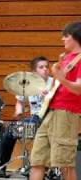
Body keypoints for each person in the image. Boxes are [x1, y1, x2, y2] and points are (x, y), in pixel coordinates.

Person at [30, 21, 81, 180]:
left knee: (65, 163)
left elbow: (79, 89)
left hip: (66, 114)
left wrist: (61, 79)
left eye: (66, 36)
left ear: (75, 37)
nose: (63, 39)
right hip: (50, 112)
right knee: (37, 160)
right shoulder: (65, 58)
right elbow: (61, 84)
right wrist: (50, 91)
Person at [0, 56, 53, 177]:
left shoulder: (54, 83)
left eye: (46, 67)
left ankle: (38, 167)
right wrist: (19, 111)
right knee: (10, 131)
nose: (45, 69)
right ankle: (1, 166)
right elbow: (20, 102)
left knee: (34, 119)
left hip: (49, 119)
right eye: (41, 67)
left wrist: (48, 97)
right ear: (34, 72)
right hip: (34, 120)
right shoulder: (28, 84)